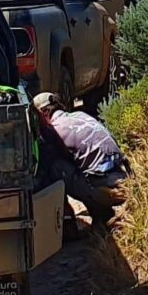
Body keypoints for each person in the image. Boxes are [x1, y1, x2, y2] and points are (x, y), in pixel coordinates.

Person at [32, 91, 125, 223]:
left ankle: (79, 219)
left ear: (45, 112)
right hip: (124, 179)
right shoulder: (81, 115)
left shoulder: (55, 130)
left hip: (106, 190)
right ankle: (101, 210)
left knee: (55, 168)